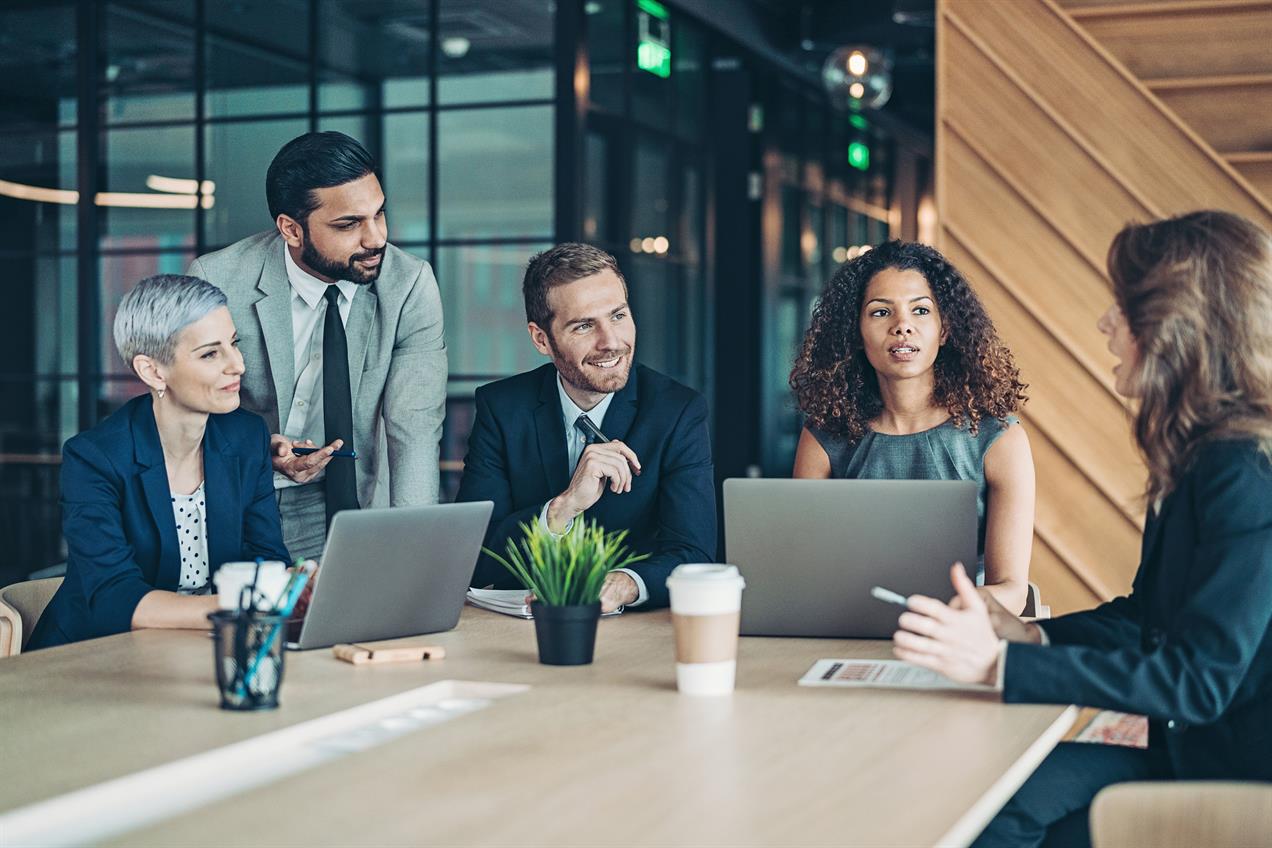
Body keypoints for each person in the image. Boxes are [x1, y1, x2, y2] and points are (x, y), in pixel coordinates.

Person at [891, 211, 1272, 847]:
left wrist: (1000, 667)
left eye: (1121, 307)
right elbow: (1144, 616)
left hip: (1236, 779)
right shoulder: (1198, 453)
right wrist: (1028, 636)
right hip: (1184, 755)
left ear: (1174, 326)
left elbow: (1198, 683)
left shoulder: (1244, 472)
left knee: (996, 817)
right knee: (985, 800)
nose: (1105, 322)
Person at [187, 131, 447, 559]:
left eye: (379, 215)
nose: (376, 238)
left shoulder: (408, 285)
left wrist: (413, 546)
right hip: (245, 495)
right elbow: (193, 410)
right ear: (291, 229)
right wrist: (263, 447)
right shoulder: (219, 281)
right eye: (349, 224)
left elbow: (415, 426)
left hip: (354, 500)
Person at [28, 275, 290, 650]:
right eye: (210, 354)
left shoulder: (247, 437)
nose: (238, 365)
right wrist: (238, 609)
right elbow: (115, 598)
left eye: (234, 344)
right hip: (94, 657)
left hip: (205, 646)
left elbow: (267, 559)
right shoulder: (93, 458)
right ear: (152, 371)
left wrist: (291, 587)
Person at [456, 243, 716, 611]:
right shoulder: (501, 409)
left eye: (618, 316)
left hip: (636, 633)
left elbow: (694, 554)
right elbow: (470, 556)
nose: (611, 342)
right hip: (513, 630)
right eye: (583, 326)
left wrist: (623, 584)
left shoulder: (677, 412)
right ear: (541, 339)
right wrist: (561, 508)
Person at [789, 240, 1034, 613]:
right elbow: (803, 574)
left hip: (959, 634)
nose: (902, 326)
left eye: (920, 310)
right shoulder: (824, 437)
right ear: (855, 332)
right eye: (880, 312)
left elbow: (1011, 593)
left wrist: (928, 612)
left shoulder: (999, 438)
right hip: (850, 627)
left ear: (945, 330)